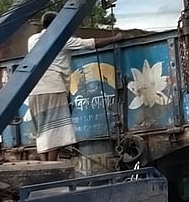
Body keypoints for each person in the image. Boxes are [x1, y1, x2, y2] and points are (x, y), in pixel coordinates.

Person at [27, 12, 126, 161]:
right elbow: (91, 44)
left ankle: (44, 165)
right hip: (53, 88)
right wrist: (116, 38)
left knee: (43, 130)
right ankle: (52, 165)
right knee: (56, 130)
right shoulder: (62, 40)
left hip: (33, 90)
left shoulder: (32, 40)